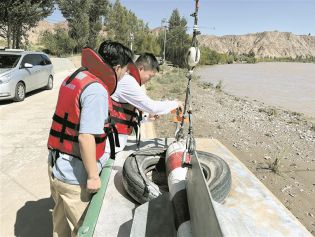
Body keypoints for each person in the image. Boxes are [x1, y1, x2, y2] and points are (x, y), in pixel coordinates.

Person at [47, 40, 133, 237]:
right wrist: (93, 177)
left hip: (55, 165)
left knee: (59, 225)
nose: (125, 74)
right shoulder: (96, 90)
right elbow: (86, 137)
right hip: (73, 175)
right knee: (84, 229)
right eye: (126, 70)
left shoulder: (77, 76)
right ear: (117, 67)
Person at [110, 52, 182, 152]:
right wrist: (175, 103)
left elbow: (125, 115)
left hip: (115, 142)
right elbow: (152, 107)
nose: (149, 80)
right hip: (110, 145)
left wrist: (147, 118)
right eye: (150, 76)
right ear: (140, 68)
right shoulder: (128, 81)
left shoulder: (128, 79)